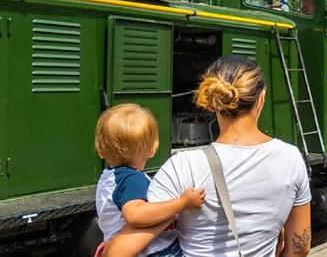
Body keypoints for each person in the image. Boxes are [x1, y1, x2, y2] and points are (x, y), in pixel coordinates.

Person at [106, 56, 312, 257]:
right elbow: (300, 247)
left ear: (213, 101)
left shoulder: (183, 166)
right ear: (262, 98)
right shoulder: (291, 158)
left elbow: (117, 252)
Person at [94, 104, 205, 257]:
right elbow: (135, 215)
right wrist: (183, 203)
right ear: (153, 148)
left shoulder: (108, 177)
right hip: (154, 250)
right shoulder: (131, 179)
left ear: (100, 149)